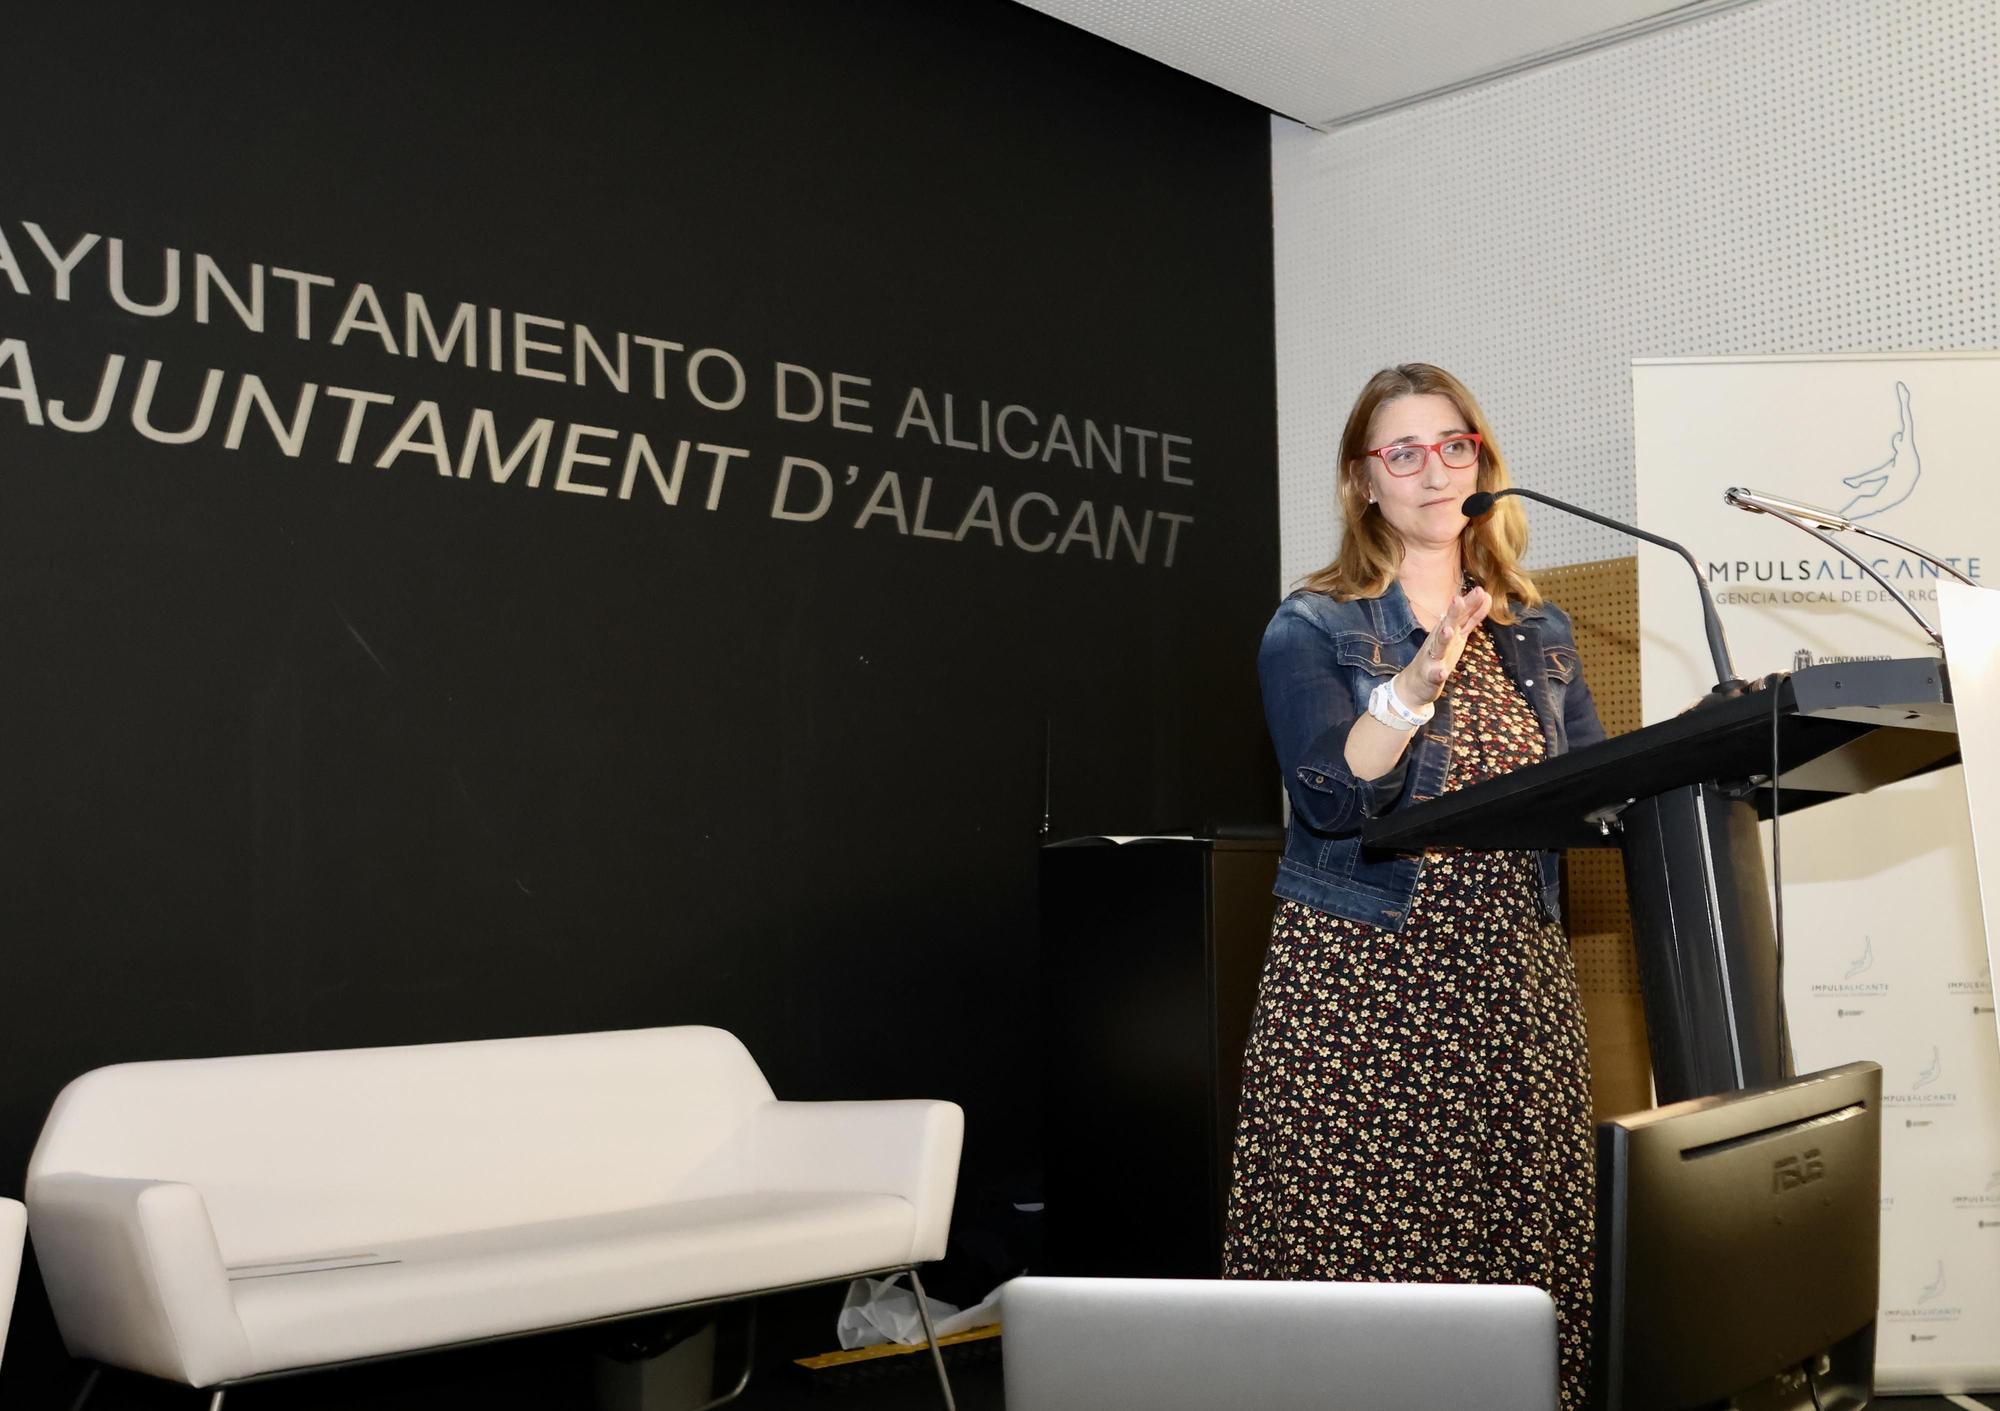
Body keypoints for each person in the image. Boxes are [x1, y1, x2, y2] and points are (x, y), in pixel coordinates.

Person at [1223, 363, 1605, 1409]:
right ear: (1361, 482)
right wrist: (1407, 690)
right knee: (1366, 1256)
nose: (1433, 470)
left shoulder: (1538, 631)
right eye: (1403, 451)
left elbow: (1590, 793)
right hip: (1366, 985)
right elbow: (1331, 801)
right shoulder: (1309, 626)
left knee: (1512, 1251)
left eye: (1454, 445)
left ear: (1480, 461)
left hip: (1509, 982)